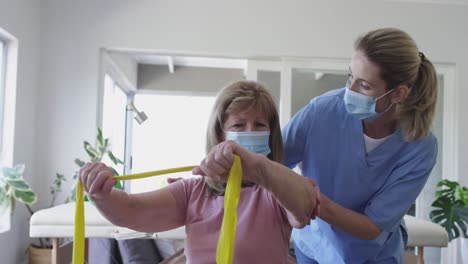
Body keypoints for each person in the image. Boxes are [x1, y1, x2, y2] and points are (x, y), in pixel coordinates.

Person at [79, 80, 320, 263]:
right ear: (220, 134)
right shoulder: (193, 190)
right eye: (238, 125)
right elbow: (132, 210)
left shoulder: (276, 191)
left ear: (271, 133)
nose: (250, 131)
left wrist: (259, 167)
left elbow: (303, 207)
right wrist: (101, 193)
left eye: (260, 125)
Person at [281, 27, 439, 263]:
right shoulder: (322, 112)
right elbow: (273, 162)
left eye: (364, 85)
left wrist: (309, 200)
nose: (349, 91)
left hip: (373, 255)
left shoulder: (420, 147)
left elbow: (372, 226)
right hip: (315, 247)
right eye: (350, 77)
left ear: (398, 94)